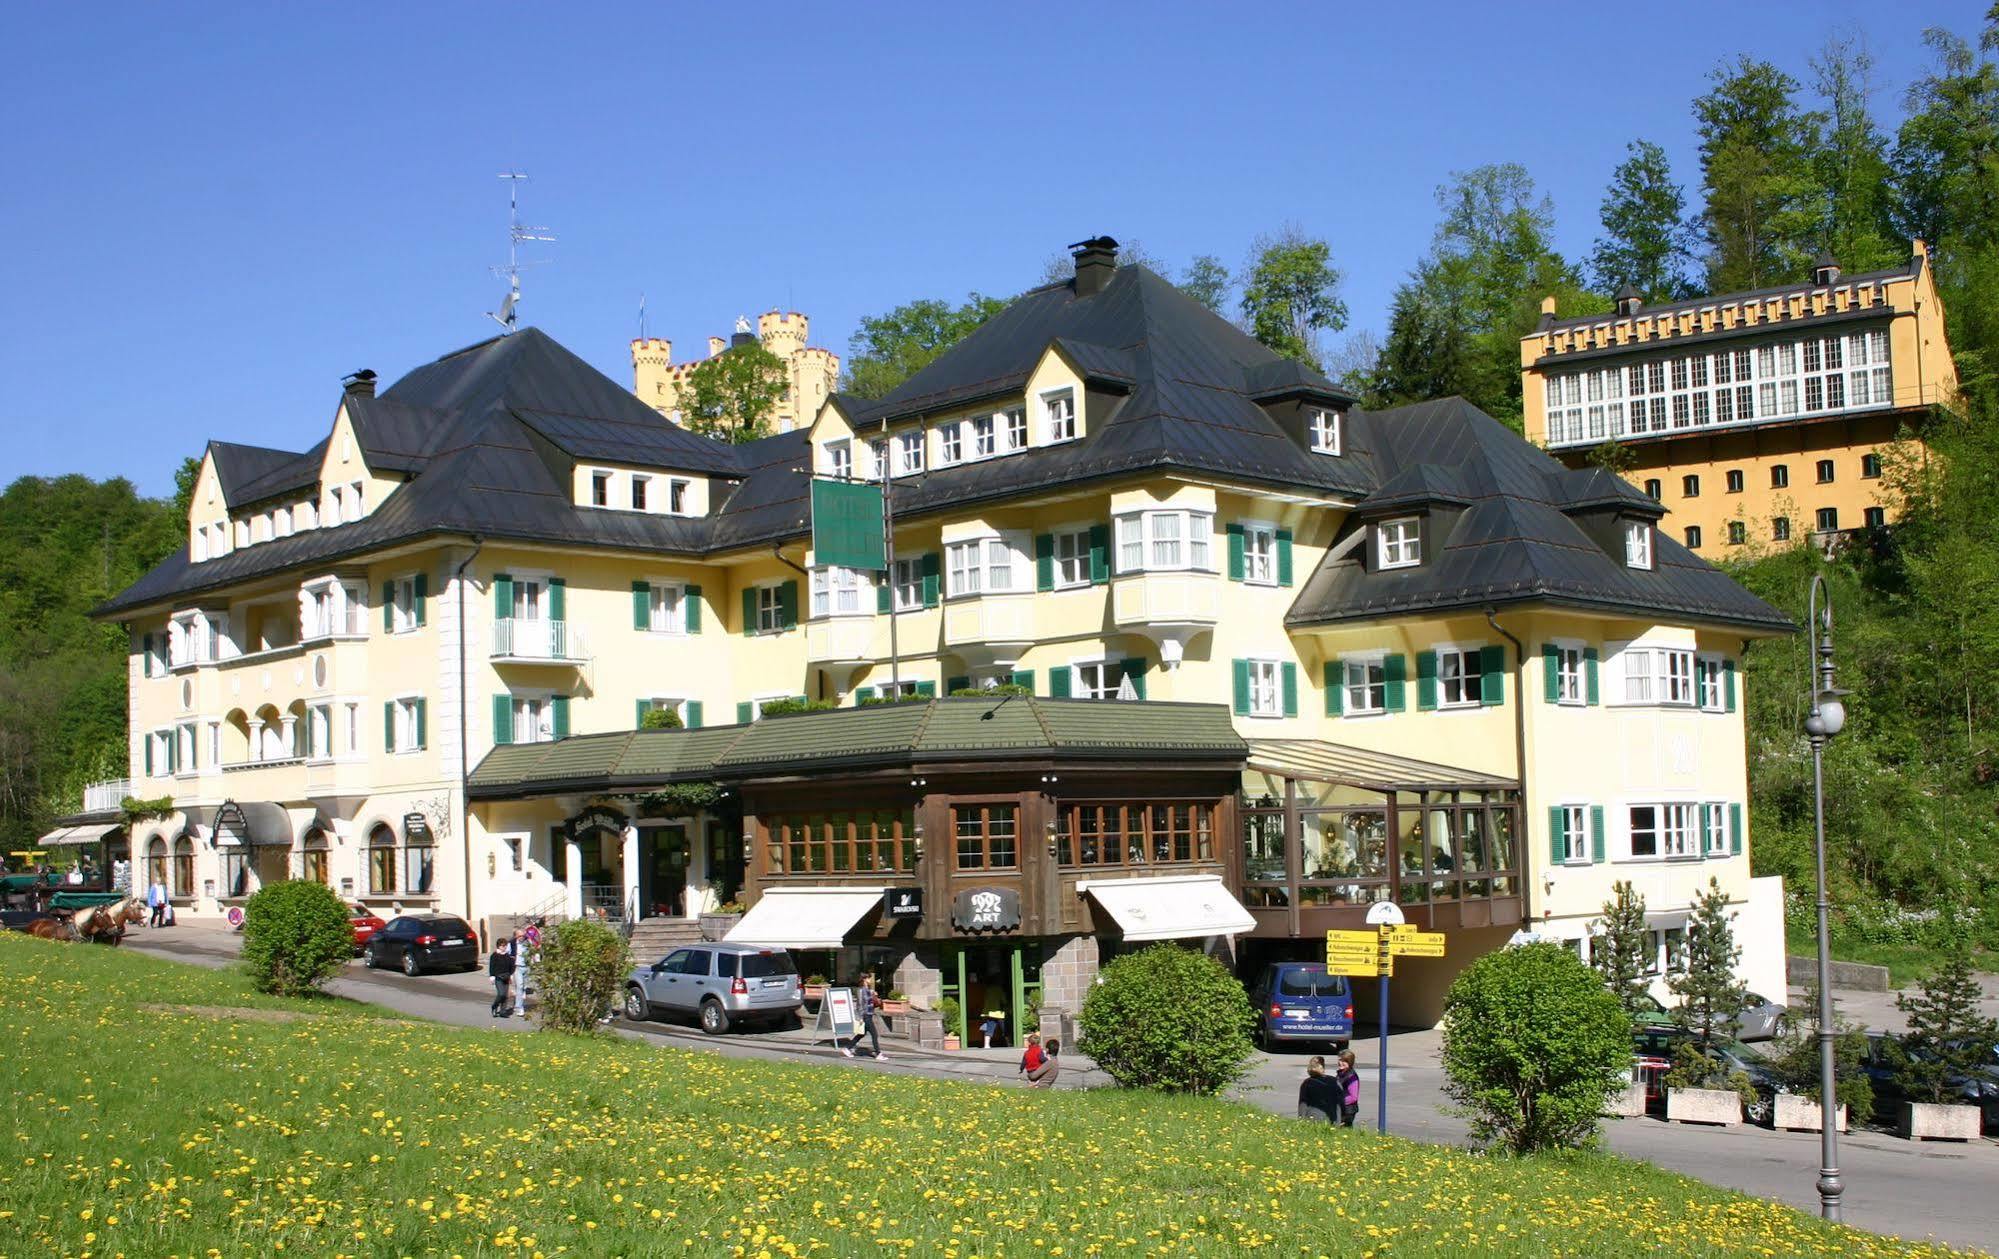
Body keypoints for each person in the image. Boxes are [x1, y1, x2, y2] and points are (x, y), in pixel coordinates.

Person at [843, 974, 886, 1060]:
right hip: (865, 1015)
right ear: (865, 979)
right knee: (874, 1034)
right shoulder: (861, 990)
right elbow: (859, 1005)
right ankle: (878, 1053)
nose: (871, 980)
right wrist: (861, 1017)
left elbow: (871, 1003)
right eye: (869, 978)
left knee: (861, 1034)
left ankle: (847, 1048)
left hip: (869, 1014)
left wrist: (875, 996)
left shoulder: (868, 990)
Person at [1297, 1055, 1342, 1123]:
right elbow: (1339, 1104)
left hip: (1311, 1120)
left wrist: (1301, 1121)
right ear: (1323, 1067)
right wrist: (1338, 1122)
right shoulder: (1335, 1082)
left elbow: (1303, 1105)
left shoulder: (1307, 1083)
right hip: (1331, 1119)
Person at [512, 922, 539, 1017]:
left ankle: (517, 1004)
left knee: (523, 987)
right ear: (516, 936)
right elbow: (507, 955)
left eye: (523, 935)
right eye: (519, 936)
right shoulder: (512, 944)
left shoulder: (528, 942)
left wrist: (535, 960)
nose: (522, 937)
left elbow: (533, 951)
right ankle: (519, 1008)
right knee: (519, 987)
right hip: (517, 967)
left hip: (526, 967)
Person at [488, 937, 516, 1018]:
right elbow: (492, 966)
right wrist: (492, 976)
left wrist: (511, 975)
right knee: (501, 994)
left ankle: (503, 1012)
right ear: (498, 946)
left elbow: (511, 967)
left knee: (505, 995)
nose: (504, 947)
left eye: (505, 946)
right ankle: (494, 1006)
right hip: (498, 977)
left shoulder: (507, 956)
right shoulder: (494, 955)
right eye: (502, 946)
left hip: (506, 977)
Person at [1335, 1049, 1362, 1128]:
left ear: (1350, 1062)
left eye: (1344, 1061)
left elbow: (1353, 1097)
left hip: (1348, 1111)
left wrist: (1339, 1102)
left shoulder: (1352, 1077)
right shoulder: (1341, 1073)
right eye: (1340, 1060)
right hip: (1341, 1109)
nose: (1340, 1063)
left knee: (1344, 1130)